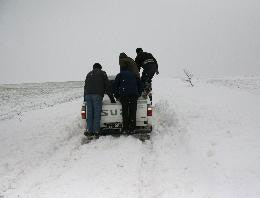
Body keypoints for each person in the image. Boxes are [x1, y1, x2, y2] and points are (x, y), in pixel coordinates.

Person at [113, 65, 143, 134]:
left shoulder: (120, 75)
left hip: (124, 95)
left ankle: (125, 128)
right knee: (133, 111)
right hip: (133, 95)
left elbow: (115, 86)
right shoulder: (134, 75)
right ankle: (132, 128)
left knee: (125, 111)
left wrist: (117, 96)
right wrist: (138, 94)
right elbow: (140, 85)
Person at [83, 63, 110, 136]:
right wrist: (111, 97)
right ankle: (96, 131)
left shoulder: (89, 74)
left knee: (89, 114)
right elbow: (107, 85)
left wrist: (84, 98)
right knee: (96, 114)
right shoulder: (102, 73)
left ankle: (89, 131)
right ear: (100, 68)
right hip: (97, 95)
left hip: (88, 95)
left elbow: (85, 87)